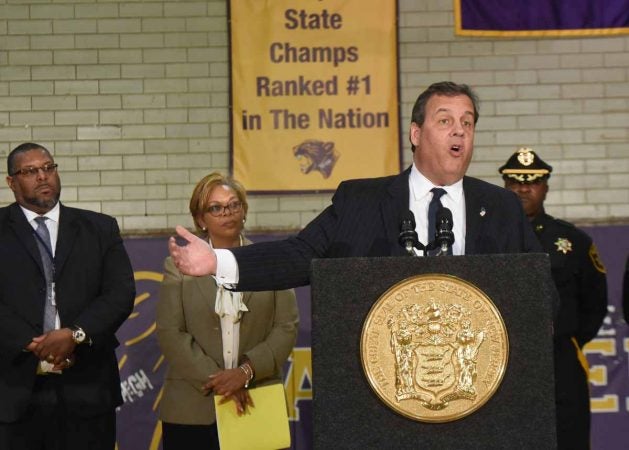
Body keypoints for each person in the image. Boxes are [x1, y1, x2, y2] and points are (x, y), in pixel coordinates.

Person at [168, 81, 541, 288]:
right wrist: (217, 259)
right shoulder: (362, 201)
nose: (459, 129)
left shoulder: (501, 208)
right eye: (445, 121)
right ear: (416, 133)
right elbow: (302, 255)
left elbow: (540, 293)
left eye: (467, 122)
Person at [0, 143, 136, 450]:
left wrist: (74, 334)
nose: (43, 176)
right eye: (30, 171)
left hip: (87, 387)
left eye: (48, 168)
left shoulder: (100, 228)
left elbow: (120, 293)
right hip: (14, 390)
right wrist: (34, 345)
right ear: (11, 182)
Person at [156, 172, 298, 450]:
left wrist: (244, 373)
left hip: (256, 402)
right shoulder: (177, 267)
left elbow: (286, 327)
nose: (227, 213)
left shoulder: (270, 262)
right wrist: (222, 382)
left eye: (234, 205)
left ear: (244, 211)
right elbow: (170, 332)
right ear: (200, 219)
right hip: (192, 409)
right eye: (216, 208)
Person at [499, 147, 608, 450]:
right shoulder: (488, 238)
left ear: (545, 187)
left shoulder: (573, 241)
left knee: (569, 434)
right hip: (505, 357)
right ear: (506, 187)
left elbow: (594, 303)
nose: (523, 188)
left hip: (560, 356)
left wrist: (566, 339)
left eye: (531, 182)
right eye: (515, 182)